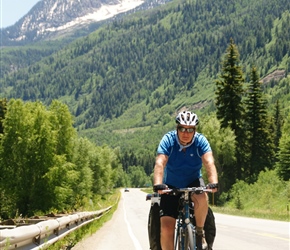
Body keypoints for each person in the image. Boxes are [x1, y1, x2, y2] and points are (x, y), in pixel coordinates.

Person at [153, 110, 218, 250]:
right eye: (182, 128)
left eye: (190, 129)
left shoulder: (200, 141)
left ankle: (200, 233)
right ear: (177, 128)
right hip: (170, 186)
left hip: (193, 181)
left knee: (202, 197)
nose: (186, 133)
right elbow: (160, 162)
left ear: (195, 130)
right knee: (166, 228)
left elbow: (209, 162)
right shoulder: (168, 140)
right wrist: (158, 184)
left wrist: (213, 182)